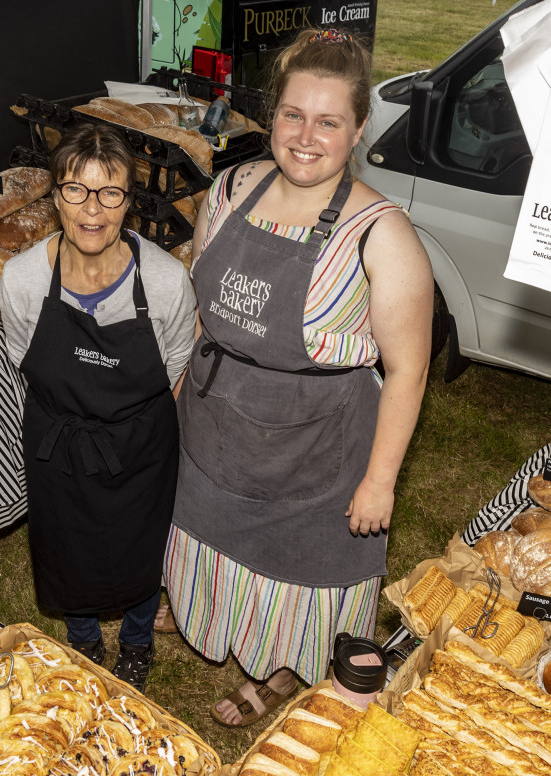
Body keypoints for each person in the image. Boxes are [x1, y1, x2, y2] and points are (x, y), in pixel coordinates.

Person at [163, 28, 434, 725]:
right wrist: (178, 390)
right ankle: (203, 610)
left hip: (318, 448)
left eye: (329, 121)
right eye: (292, 114)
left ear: (359, 129)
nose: (306, 137)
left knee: (301, 566)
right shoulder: (229, 190)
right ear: (270, 114)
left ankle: (280, 672)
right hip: (216, 417)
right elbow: (201, 307)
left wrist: (380, 481)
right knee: (209, 531)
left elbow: (406, 370)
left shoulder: (382, 234)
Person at [0, 123, 196, 691]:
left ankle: (136, 642)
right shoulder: (23, 279)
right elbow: (22, 355)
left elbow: (176, 363)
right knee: (65, 545)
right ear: (55, 195)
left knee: (140, 544)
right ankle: (83, 639)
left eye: (110, 192)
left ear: (129, 203)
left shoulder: (163, 281)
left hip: (140, 446)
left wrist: (136, 432)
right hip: (59, 442)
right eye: (76, 190)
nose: (92, 209)